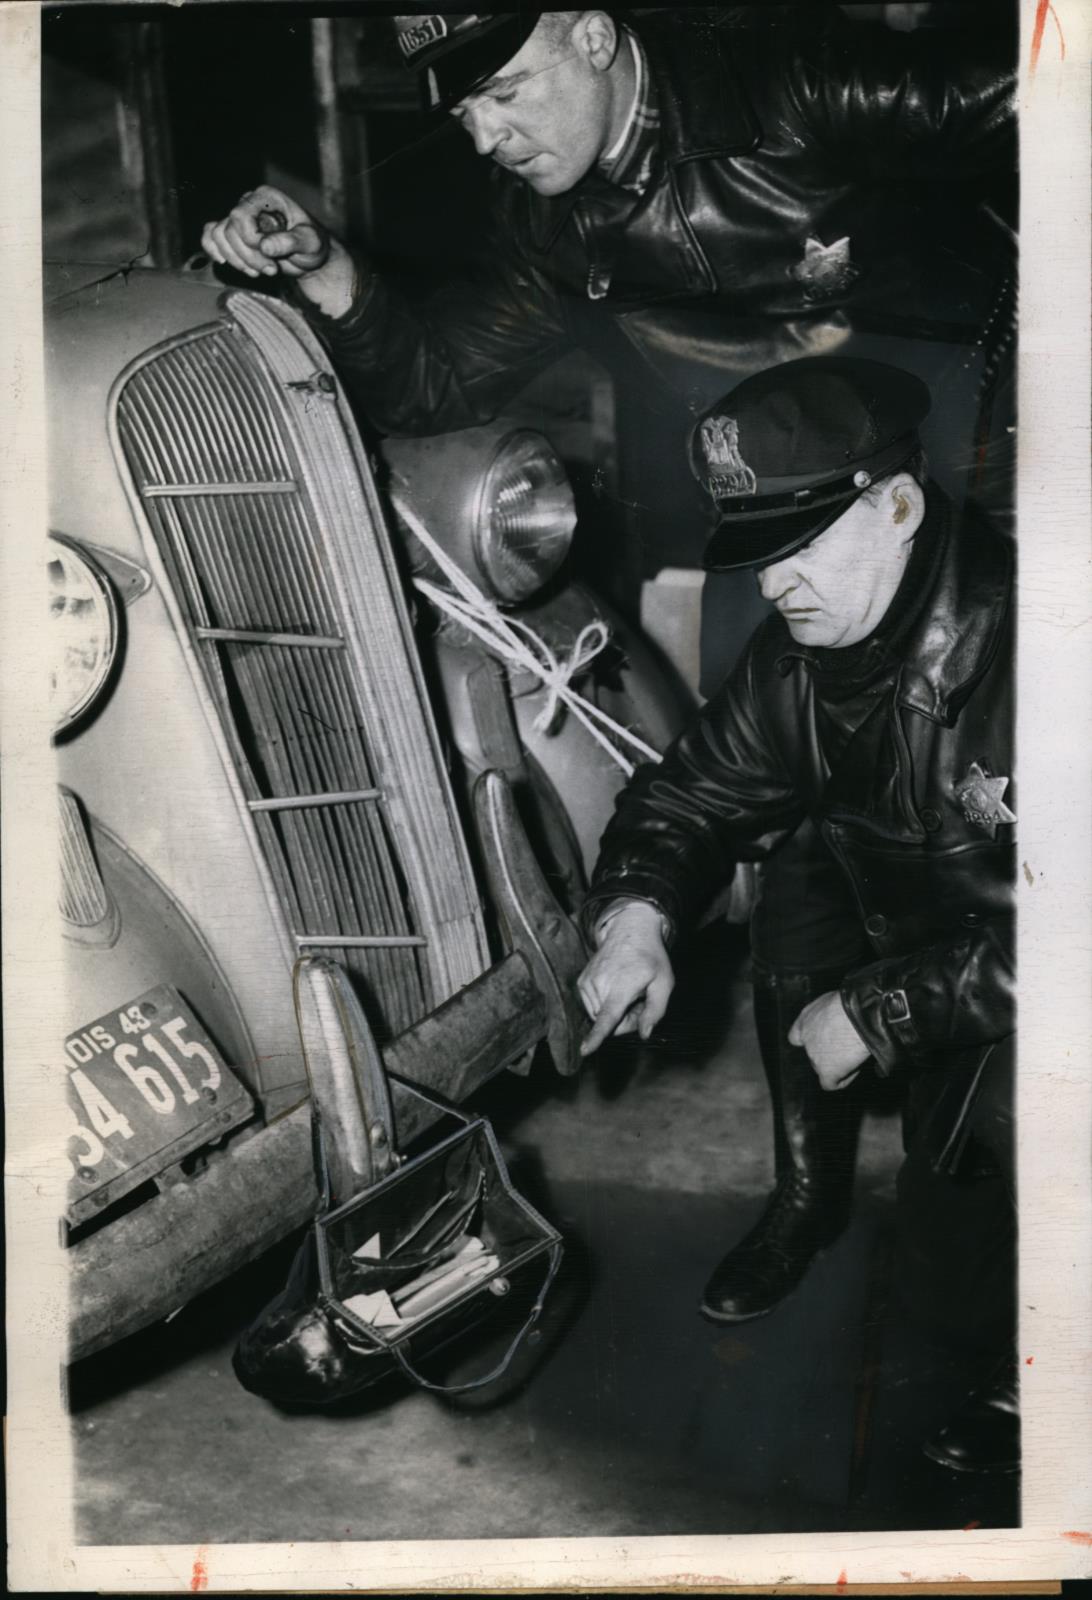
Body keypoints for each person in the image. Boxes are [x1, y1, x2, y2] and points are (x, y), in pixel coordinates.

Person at [200, 7, 1016, 1407]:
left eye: (507, 91)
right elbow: (443, 375)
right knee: (786, 845)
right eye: (464, 116)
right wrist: (335, 271)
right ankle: (809, 1189)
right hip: (773, 519)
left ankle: (1008, 1238)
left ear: (594, 32)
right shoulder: (550, 219)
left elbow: (1031, 79)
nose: (490, 135)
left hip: (966, 479)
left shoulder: (792, 74)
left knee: (998, 849)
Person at [576, 354, 1017, 1472]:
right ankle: (817, 1206)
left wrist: (875, 1012)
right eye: (755, 555)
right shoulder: (804, 656)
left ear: (901, 505)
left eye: (801, 545)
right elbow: (686, 794)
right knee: (801, 867)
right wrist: (636, 914)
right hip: (933, 920)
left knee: (988, 1208)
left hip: (1021, 978)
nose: (773, 587)